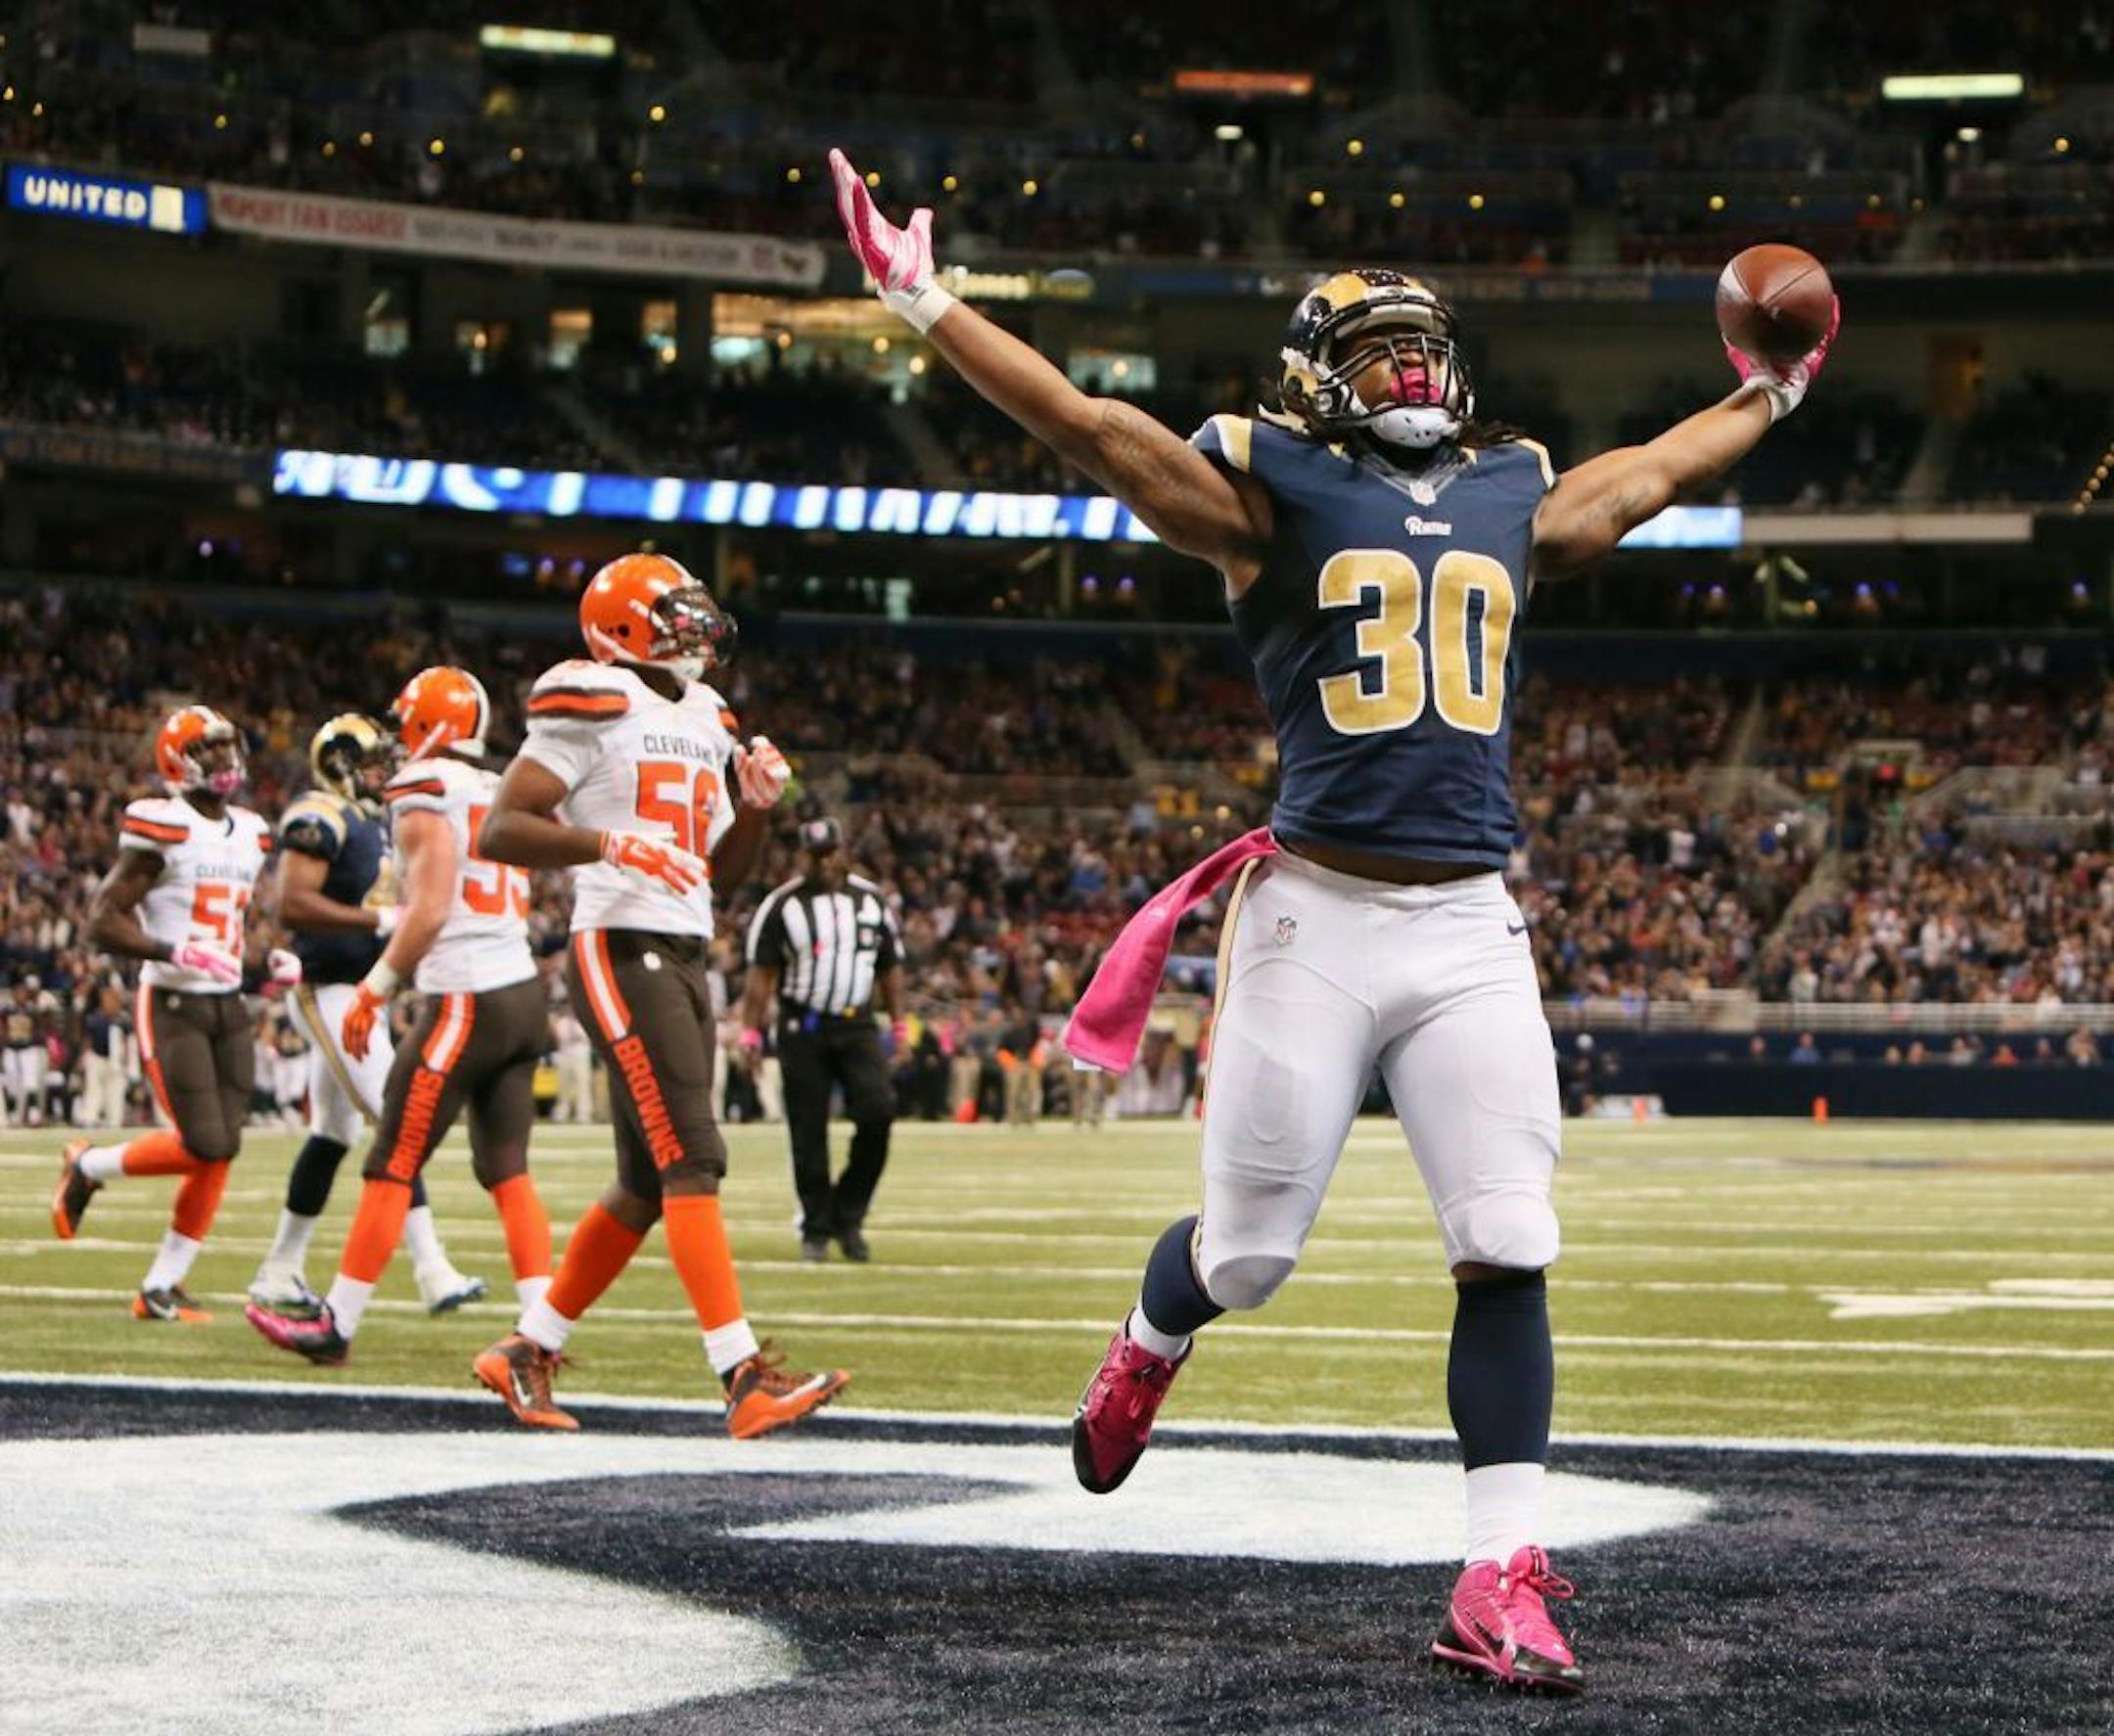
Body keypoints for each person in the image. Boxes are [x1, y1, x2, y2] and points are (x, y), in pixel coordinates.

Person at [830, 149, 1838, 1694]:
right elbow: (1093, 429)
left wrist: (1768, 395)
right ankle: (1153, 1336)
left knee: (1508, 1238)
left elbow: (1640, 478)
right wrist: (926, 301)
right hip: (1311, 916)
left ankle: (1499, 1575)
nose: (1413, 370)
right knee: (1246, 1256)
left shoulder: (1509, 482)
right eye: (1378, 354)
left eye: (1422, 345)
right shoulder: (1265, 490)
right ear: (1316, 383)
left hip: (1465, 924)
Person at [473, 552, 850, 1437]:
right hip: (618, 942)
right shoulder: (593, 696)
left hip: (680, 946)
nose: (696, 625)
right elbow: (502, 826)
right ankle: (741, 1375)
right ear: (626, 625)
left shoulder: (710, 715)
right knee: (693, 1155)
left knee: (647, 1180)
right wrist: (609, 846)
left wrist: (755, 807)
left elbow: (724, 872)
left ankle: (526, 1351)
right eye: (674, 612)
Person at [247, 667, 555, 1366]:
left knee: (392, 1158)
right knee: (506, 1166)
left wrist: (376, 987)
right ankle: (542, 1332)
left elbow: (433, 906)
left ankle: (337, 1324)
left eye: (406, 723)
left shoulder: (425, 786)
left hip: (469, 999)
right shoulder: (498, 781)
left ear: (431, 726)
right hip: (521, 992)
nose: (396, 740)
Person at [53, 706, 297, 1320]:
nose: (223, 762)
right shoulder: (162, 825)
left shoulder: (249, 830)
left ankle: (161, 1285)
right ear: (177, 761)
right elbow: (101, 920)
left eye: (226, 748)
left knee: (224, 1146)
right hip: (172, 1000)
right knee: (204, 1140)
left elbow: (234, 923)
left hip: (226, 1002)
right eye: (207, 751)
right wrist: (173, 949)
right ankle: (86, 1165)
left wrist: (268, 963)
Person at [249, 713, 483, 1315]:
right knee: (396, 1120)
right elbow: (292, 902)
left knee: (334, 1132)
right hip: (327, 987)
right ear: (341, 765)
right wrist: (379, 921)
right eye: (373, 759)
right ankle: (433, 1270)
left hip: (358, 990)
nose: (386, 768)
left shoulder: (377, 821)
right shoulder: (318, 813)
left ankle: (279, 1270)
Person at [743, 815, 904, 1261]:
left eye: (831, 852)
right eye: (815, 855)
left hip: (856, 1023)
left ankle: (847, 1213)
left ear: (845, 851)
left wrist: (899, 1025)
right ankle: (816, 1227)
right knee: (807, 1128)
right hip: (803, 1026)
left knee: (878, 1111)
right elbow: (762, 976)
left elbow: (890, 968)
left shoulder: (872, 902)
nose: (825, 862)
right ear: (802, 857)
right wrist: (751, 1035)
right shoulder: (781, 906)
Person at [78, 985, 135, 1129]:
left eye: (111, 1000)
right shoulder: (95, 1018)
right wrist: (83, 1057)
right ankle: (90, 1117)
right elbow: (88, 1040)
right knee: (93, 1089)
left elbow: (129, 1042)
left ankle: (114, 1119)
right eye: (105, 1000)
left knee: (116, 1090)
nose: (108, 1003)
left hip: (116, 1060)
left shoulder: (124, 1020)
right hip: (98, 1057)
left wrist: (128, 1061)